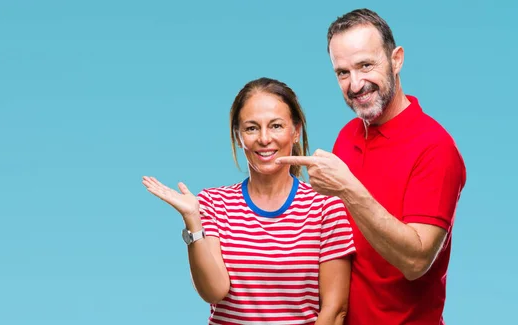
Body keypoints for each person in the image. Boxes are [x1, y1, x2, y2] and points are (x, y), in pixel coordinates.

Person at [275, 9, 467, 325]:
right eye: (342, 72)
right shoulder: (348, 135)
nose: (355, 84)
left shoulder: (436, 148)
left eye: (365, 65)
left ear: (396, 60)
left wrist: (347, 188)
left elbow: (416, 260)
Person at [142, 77, 356, 325]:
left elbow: (335, 309)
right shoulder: (212, 203)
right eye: (251, 128)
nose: (264, 139)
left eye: (276, 126)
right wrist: (193, 222)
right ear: (238, 136)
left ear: (295, 131)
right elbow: (213, 291)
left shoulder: (326, 206)